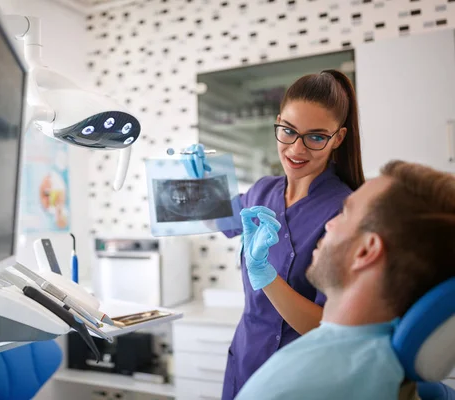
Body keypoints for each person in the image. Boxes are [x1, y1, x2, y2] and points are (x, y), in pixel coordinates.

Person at [184, 69, 365, 398]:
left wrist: (265, 276)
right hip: (246, 361)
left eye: (315, 136)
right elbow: (213, 219)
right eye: (288, 131)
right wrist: (200, 182)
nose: (296, 148)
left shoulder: (347, 212)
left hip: (300, 377)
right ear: (279, 122)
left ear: (337, 138)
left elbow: (330, 327)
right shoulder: (262, 191)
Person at [233, 160, 455, 399]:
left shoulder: (288, 389)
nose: (329, 223)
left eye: (345, 213)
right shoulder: (386, 358)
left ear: (366, 251)